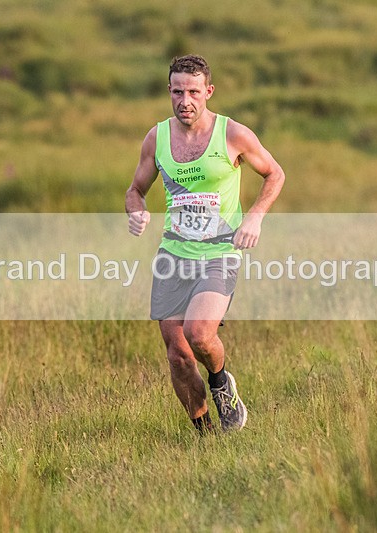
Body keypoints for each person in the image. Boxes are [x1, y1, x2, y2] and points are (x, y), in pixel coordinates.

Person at [125, 54, 285, 433]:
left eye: (194, 92)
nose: (185, 101)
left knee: (199, 334)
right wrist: (136, 211)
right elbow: (135, 190)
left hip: (219, 252)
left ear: (208, 92)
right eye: (178, 92)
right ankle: (205, 435)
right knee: (178, 355)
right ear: (169, 92)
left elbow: (275, 174)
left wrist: (255, 216)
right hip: (173, 255)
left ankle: (220, 381)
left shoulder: (233, 135)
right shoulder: (157, 138)